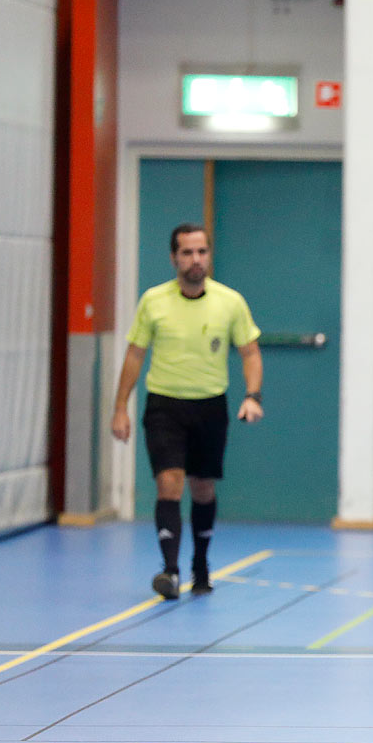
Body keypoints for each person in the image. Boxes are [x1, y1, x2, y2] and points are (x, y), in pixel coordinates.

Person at [111, 223, 263, 600]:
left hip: (210, 406)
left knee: (202, 487)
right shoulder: (153, 301)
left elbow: (250, 352)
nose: (196, 260)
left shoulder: (230, 302)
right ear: (173, 258)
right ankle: (170, 570)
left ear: (209, 256)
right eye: (187, 253)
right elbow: (135, 354)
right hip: (165, 405)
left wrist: (253, 395)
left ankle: (200, 564)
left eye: (202, 252)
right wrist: (120, 408)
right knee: (169, 482)